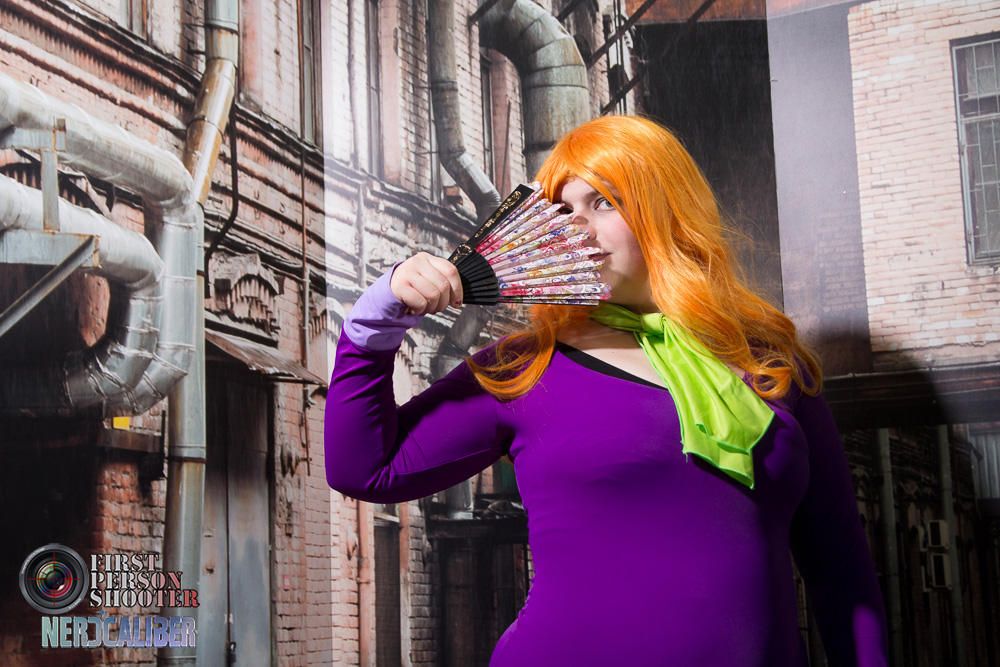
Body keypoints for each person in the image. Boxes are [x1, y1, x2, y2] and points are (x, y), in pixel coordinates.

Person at [325, 115, 888, 666]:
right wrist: (377, 319)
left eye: (603, 202)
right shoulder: (523, 368)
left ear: (666, 209)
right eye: (561, 211)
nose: (577, 229)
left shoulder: (772, 365)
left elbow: (842, 568)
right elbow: (364, 470)